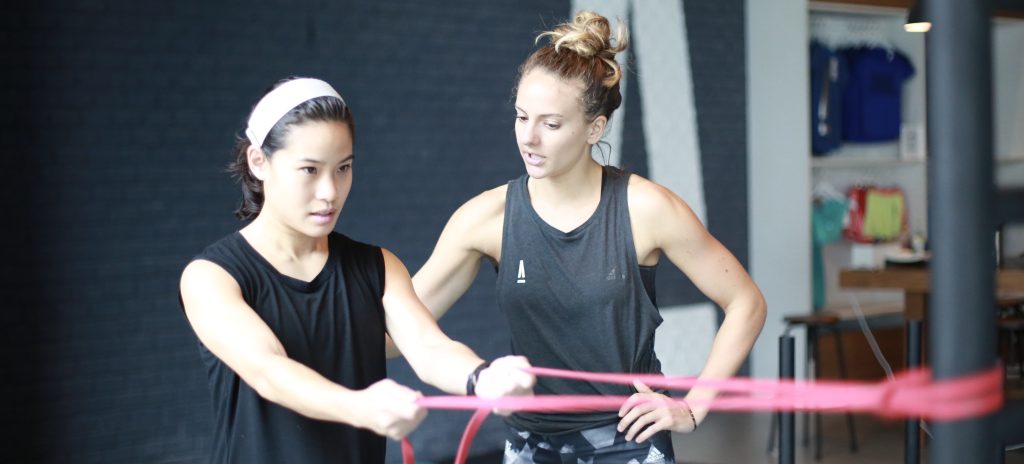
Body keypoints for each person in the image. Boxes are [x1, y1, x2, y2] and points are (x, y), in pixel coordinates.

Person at [407, 12, 767, 463]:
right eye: (522, 117)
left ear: (594, 128)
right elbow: (401, 326)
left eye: (552, 124)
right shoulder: (484, 218)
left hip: (627, 440)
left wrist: (694, 407)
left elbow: (746, 303)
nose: (529, 138)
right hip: (529, 443)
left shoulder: (646, 208)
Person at [179, 77, 536, 464]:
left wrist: (483, 378)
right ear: (258, 162)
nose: (330, 191)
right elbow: (270, 371)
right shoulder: (212, 277)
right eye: (310, 170)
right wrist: (358, 407)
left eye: (343, 168)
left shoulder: (378, 267)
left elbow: (430, 349)